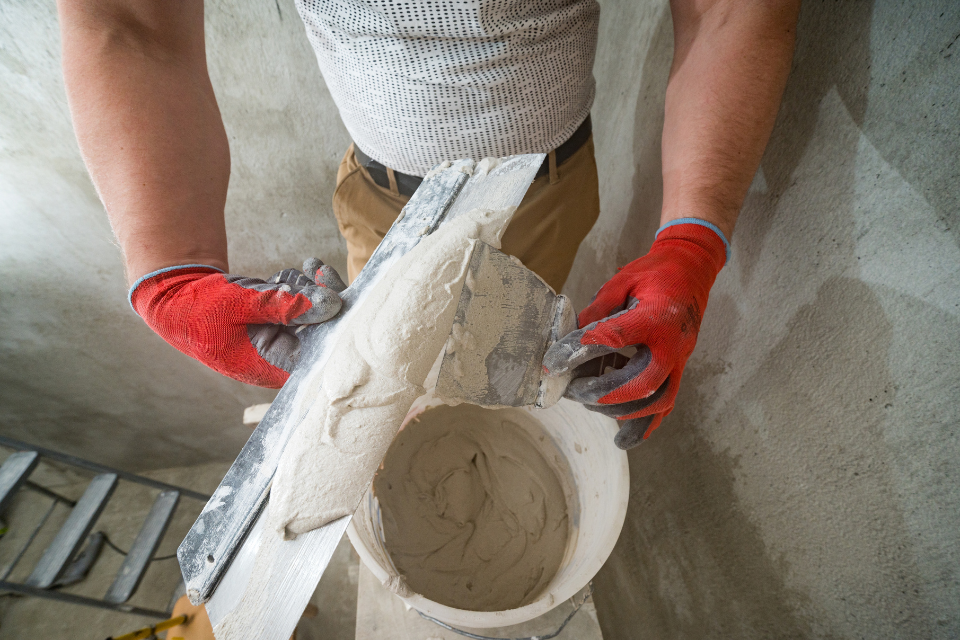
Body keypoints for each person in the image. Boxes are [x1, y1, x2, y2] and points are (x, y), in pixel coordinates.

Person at [57, 0, 800, 449]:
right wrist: (169, 267)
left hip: (548, 189)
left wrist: (693, 239)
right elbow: (127, 21)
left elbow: (726, 9)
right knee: (392, 379)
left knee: (512, 358)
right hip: (385, 201)